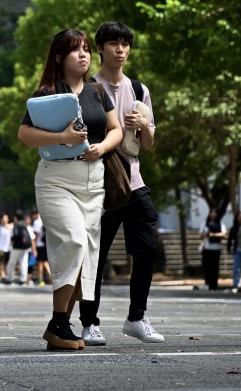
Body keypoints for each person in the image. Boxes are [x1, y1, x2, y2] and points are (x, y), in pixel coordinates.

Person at [18, 28, 123, 351]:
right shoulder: (47, 92)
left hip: (92, 179)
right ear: (60, 57)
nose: (84, 55)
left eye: (87, 49)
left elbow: (116, 129)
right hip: (56, 178)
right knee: (75, 242)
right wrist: (62, 138)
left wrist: (102, 147)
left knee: (86, 253)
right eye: (76, 49)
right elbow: (25, 134)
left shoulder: (96, 91)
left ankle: (60, 323)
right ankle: (58, 321)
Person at [79, 21, 164, 345]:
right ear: (100, 48)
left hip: (134, 181)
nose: (120, 49)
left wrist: (145, 125)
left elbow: (149, 145)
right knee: (95, 256)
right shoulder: (88, 88)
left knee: (146, 251)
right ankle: (89, 322)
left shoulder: (140, 90)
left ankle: (137, 317)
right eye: (113, 43)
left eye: (125, 43)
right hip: (100, 183)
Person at [5, 209, 33, 285]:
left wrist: (12, 241)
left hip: (17, 247)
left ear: (15, 217)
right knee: (23, 263)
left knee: (11, 263)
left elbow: (16, 235)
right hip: (25, 247)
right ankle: (23, 279)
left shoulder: (16, 225)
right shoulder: (24, 224)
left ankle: (9, 278)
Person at [199, 209, 225, 291]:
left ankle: (214, 284)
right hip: (207, 248)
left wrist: (213, 235)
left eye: (215, 213)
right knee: (207, 267)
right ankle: (208, 283)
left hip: (216, 249)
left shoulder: (220, 224)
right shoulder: (205, 223)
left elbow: (223, 233)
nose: (213, 215)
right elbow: (200, 234)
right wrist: (206, 234)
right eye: (212, 213)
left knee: (215, 267)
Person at [34, 210, 52, 286]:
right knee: (45, 262)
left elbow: (36, 235)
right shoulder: (44, 220)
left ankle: (40, 279)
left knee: (40, 263)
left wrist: (34, 246)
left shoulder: (36, 222)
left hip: (39, 245)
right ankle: (51, 277)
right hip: (45, 244)